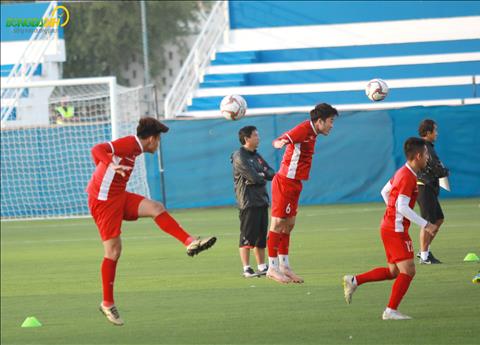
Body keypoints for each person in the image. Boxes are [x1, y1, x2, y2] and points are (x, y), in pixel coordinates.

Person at [87, 117, 217, 326]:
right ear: (152, 139)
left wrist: (107, 169)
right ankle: (107, 303)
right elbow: (97, 149)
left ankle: (190, 241)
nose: (159, 144)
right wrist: (110, 165)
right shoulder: (130, 143)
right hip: (104, 202)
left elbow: (101, 161)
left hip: (118, 195)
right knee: (113, 252)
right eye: (159, 139)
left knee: (156, 207)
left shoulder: (136, 149)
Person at [342, 137, 439, 320]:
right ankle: (390, 311)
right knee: (408, 271)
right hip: (395, 230)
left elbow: (384, 191)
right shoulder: (408, 176)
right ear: (418, 156)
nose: (427, 158)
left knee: (394, 272)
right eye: (426, 154)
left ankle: (354, 280)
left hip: (389, 226)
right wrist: (426, 225)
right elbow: (402, 207)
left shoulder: (402, 172)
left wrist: (392, 212)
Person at [267, 103, 339, 284]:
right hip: (285, 181)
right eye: (330, 121)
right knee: (277, 223)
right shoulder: (304, 129)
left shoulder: (313, 132)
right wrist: (281, 142)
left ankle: (285, 266)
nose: (332, 125)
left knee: (289, 225)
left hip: (295, 183)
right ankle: (272, 267)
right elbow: (279, 140)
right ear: (320, 121)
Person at [232, 126, 275, 278]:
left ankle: (262, 267)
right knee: (247, 236)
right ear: (247, 139)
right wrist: (260, 176)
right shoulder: (239, 156)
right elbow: (253, 177)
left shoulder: (256, 156)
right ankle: (246, 268)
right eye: (256, 135)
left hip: (261, 200)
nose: (259, 138)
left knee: (260, 237)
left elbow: (271, 172)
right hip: (248, 202)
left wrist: (261, 174)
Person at [416, 119, 449, 264]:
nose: (437, 133)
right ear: (428, 132)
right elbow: (435, 168)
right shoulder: (424, 147)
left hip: (429, 187)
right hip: (423, 187)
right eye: (435, 130)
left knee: (438, 219)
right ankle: (424, 256)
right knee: (428, 222)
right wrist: (444, 171)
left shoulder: (428, 146)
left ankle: (425, 251)